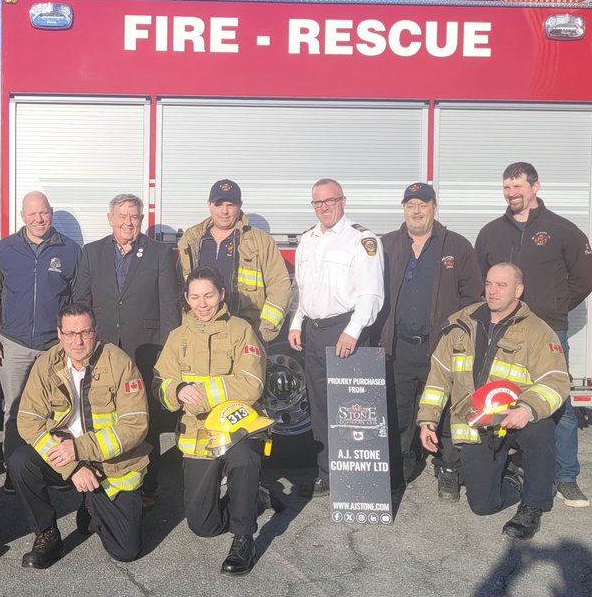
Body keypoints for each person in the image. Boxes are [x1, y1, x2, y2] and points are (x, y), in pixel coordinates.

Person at [474, 162, 592, 508]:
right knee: (499, 396)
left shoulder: (562, 230)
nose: (512, 194)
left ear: (535, 187)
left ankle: (566, 476)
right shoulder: (491, 232)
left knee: (559, 403)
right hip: (503, 328)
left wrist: (556, 306)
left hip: (547, 330)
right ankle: (506, 465)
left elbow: (585, 277)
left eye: (518, 187)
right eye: (507, 188)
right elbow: (482, 279)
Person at [418, 263, 569, 540]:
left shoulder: (537, 331)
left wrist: (528, 409)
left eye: (502, 285)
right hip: (480, 425)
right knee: (483, 505)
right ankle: (515, 478)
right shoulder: (460, 324)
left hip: (517, 417)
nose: (493, 291)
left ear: (518, 290)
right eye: (489, 284)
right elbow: (438, 377)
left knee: (542, 429)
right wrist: (427, 419)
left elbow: (556, 381)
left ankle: (533, 505)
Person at [10, 303, 150, 569]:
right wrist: (72, 465)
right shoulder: (46, 365)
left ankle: (91, 507)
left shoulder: (119, 363)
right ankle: (47, 534)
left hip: (109, 462)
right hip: (63, 455)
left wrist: (81, 450)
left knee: (126, 551)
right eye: (71, 334)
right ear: (60, 334)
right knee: (21, 461)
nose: (78, 341)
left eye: (85, 332)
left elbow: (135, 425)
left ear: (95, 331)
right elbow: (28, 421)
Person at [155, 266, 271, 576]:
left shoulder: (241, 330)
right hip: (197, 436)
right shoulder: (177, 337)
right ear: (187, 298)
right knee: (202, 525)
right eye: (195, 296)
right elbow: (160, 382)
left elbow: (251, 384)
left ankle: (244, 536)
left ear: (221, 294)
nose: (202, 303)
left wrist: (201, 394)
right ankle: (254, 498)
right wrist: (177, 389)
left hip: (237, 429)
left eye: (208, 295)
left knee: (245, 460)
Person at [376, 183, 483, 500]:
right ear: (404, 209)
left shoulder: (457, 246)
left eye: (423, 204)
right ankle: (400, 467)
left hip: (441, 347)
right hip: (400, 347)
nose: (416, 210)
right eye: (410, 205)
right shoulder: (387, 245)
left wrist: (457, 336)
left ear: (434, 207)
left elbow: (474, 297)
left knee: (448, 408)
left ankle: (449, 468)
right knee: (399, 410)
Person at [75, 193, 181, 509]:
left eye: (134, 216)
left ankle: (147, 488)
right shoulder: (91, 253)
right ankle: (104, 479)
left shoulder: (160, 254)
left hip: (146, 351)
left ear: (141, 220)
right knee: (100, 417)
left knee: (143, 419)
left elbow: (169, 309)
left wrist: (168, 353)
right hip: (102, 351)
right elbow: (80, 302)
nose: (128, 222)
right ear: (110, 219)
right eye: (121, 216)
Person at [287, 178, 384, 498]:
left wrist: (353, 331)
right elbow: (303, 289)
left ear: (343, 200)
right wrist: (297, 322)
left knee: (353, 407)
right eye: (317, 202)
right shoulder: (308, 240)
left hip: (344, 331)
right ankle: (327, 472)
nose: (324, 207)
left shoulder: (361, 239)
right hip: (314, 331)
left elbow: (371, 293)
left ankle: (357, 480)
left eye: (330, 201)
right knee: (320, 406)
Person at [0, 191, 81, 491]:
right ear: (22, 216)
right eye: (32, 214)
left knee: (57, 409)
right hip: (13, 344)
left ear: (50, 212)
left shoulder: (70, 250)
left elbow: (78, 300)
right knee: (14, 410)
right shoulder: (5, 250)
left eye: (44, 213)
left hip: (54, 348)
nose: (39, 219)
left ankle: (56, 469)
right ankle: (15, 474)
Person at [177, 179, 292, 343]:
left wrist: (262, 331)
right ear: (209, 204)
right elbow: (180, 285)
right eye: (218, 204)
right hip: (198, 334)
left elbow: (280, 287)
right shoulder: (192, 239)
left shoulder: (261, 241)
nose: (224, 211)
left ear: (240, 206)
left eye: (230, 204)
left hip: (245, 334)